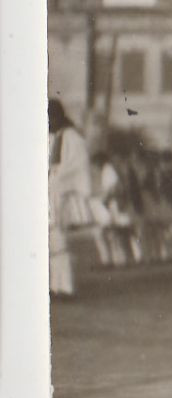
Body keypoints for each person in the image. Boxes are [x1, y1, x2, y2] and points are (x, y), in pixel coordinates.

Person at [48, 99, 93, 298]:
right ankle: (55, 285)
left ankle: (64, 286)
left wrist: (55, 180)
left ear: (57, 117)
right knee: (51, 241)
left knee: (58, 239)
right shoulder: (52, 136)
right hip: (50, 189)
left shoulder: (73, 137)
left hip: (60, 192)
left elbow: (76, 166)